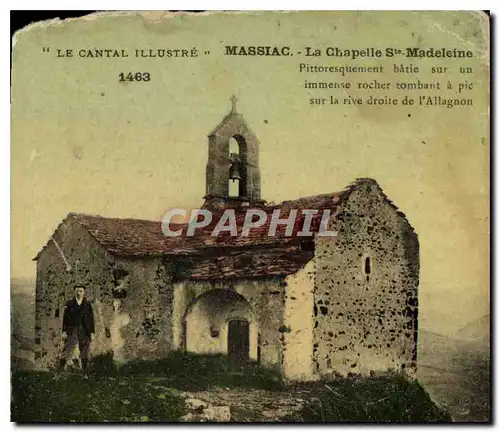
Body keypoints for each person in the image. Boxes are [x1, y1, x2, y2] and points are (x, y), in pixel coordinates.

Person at [58, 286, 95, 378]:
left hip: (84, 330)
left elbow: (91, 319)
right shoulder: (70, 304)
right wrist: (64, 331)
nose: (79, 293)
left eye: (81, 291)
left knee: (84, 352)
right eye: (77, 291)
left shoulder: (87, 304)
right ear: (74, 292)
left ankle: (85, 373)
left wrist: (92, 332)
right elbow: (65, 319)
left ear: (84, 292)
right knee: (66, 350)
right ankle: (59, 372)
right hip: (72, 329)